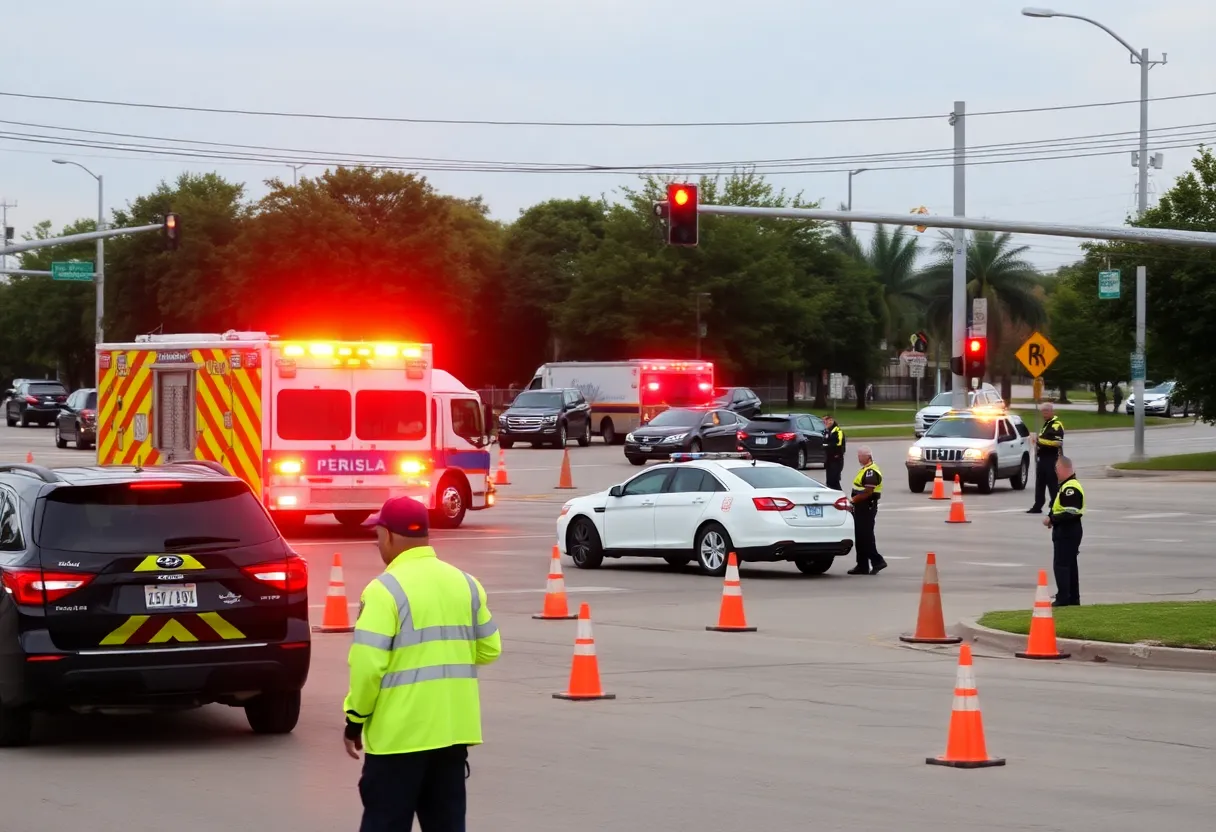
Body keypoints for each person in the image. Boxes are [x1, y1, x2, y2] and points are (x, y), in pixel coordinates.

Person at [344, 496, 502, 832]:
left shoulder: (384, 590)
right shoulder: (466, 584)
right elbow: (490, 649)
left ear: (388, 535)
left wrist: (354, 720)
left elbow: (368, 667)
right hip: (452, 735)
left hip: (399, 739)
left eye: (378, 534)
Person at [1043, 455, 1085, 606]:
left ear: (1061, 468)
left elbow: (1071, 512)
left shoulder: (1070, 488)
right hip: (1069, 530)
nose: (1055, 472)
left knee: (1062, 565)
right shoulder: (1068, 486)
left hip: (1067, 531)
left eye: (1056, 469)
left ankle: (1063, 598)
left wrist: (1052, 520)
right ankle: (1073, 598)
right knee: (1070, 565)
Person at [848, 446, 888, 576]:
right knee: (860, 536)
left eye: (860, 456)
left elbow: (868, 492)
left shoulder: (871, 471)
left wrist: (853, 500)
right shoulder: (865, 469)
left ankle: (877, 561)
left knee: (865, 536)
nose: (859, 458)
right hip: (861, 507)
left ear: (867, 456)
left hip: (866, 506)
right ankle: (862, 565)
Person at [1027, 402, 1065, 514]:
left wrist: (1039, 440)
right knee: (1040, 483)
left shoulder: (1056, 424)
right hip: (1042, 458)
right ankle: (1038, 505)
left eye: (1046, 411)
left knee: (1052, 483)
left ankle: (1055, 505)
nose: (1044, 414)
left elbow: (1057, 443)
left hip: (1051, 459)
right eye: (1042, 412)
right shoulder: (1047, 424)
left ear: (1051, 412)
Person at [822, 415, 846, 491]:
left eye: (826, 420)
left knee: (834, 481)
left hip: (836, 460)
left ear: (831, 421)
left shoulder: (838, 431)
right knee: (829, 482)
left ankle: (841, 497)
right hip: (829, 460)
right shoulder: (827, 431)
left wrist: (827, 446)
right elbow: (823, 443)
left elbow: (838, 444)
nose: (825, 422)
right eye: (824, 421)